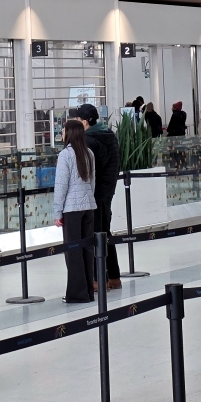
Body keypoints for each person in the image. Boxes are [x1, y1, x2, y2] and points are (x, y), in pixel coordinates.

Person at [53, 118, 98, 303]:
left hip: (71, 209)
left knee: (73, 251)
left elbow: (61, 185)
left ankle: (77, 294)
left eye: (64, 130)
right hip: (88, 207)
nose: (62, 133)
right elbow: (92, 182)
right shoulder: (89, 153)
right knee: (87, 249)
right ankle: (87, 290)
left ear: (69, 133)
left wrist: (57, 212)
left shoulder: (65, 154)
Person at [77, 103, 121, 289]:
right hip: (108, 191)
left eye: (78, 119)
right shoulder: (109, 136)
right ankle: (113, 277)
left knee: (94, 234)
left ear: (85, 122)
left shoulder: (90, 140)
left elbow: (88, 170)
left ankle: (97, 280)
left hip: (95, 194)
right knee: (105, 232)